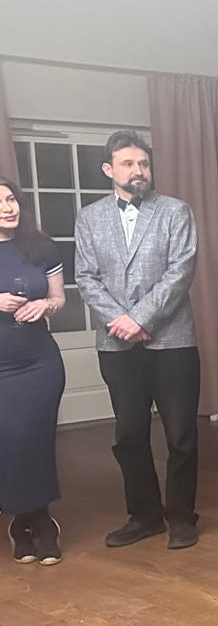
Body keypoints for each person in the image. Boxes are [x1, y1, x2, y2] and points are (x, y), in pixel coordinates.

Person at [74, 131, 201, 550]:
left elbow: (180, 272)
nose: (138, 170)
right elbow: (86, 278)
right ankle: (144, 515)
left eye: (143, 163)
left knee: (181, 434)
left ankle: (181, 517)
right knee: (129, 434)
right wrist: (122, 322)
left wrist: (141, 318)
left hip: (172, 340)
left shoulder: (175, 211)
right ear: (108, 169)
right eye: (128, 164)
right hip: (117, 344)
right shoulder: (89, 217)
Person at [0, 175, 68, 565]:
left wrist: (45, 306)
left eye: (11, 199)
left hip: (40, 362)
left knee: (36, 439)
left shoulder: (42, 247)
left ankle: (39, 522)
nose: (8, 207)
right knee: (10, 440)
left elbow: (58, 298)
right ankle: (26, 519)